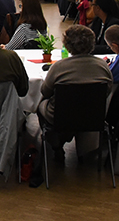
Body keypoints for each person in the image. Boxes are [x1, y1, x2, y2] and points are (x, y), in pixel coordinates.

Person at [37, 24, 113, 155]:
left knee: (40, 104)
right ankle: (85, 148)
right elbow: (108, 90)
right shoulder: (103, 66)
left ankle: (55, 143)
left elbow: (45, 91)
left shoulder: (59, 66)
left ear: (67, 45)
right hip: (93, 115)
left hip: (60, 115)